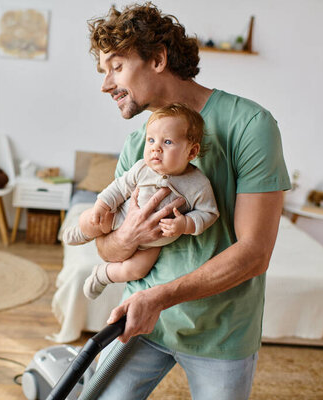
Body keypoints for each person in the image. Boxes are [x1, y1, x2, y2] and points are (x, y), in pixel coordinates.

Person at [82, 2, 291, 399]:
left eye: (116, 66)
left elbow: (254, 252)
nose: (106, 85)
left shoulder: (249, 125)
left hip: (221, 333)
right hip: (140, 322)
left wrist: (160, 297)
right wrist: (126, 236)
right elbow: (106, 247)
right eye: (103, 72)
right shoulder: (138, 146)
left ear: (158, 59)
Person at [62, 103, 219, 300]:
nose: (156, 149)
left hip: (154, 242)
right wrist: (103, 205)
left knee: (137, 270)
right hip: (120, 215)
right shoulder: (141, 168)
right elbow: (119, 187)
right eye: (151, 140)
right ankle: (83, 232)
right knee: (94, 218)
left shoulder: (198, 184)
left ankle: (102, 275)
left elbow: (209, 213)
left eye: (167, 142)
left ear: (192, 152)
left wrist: (185, 224)